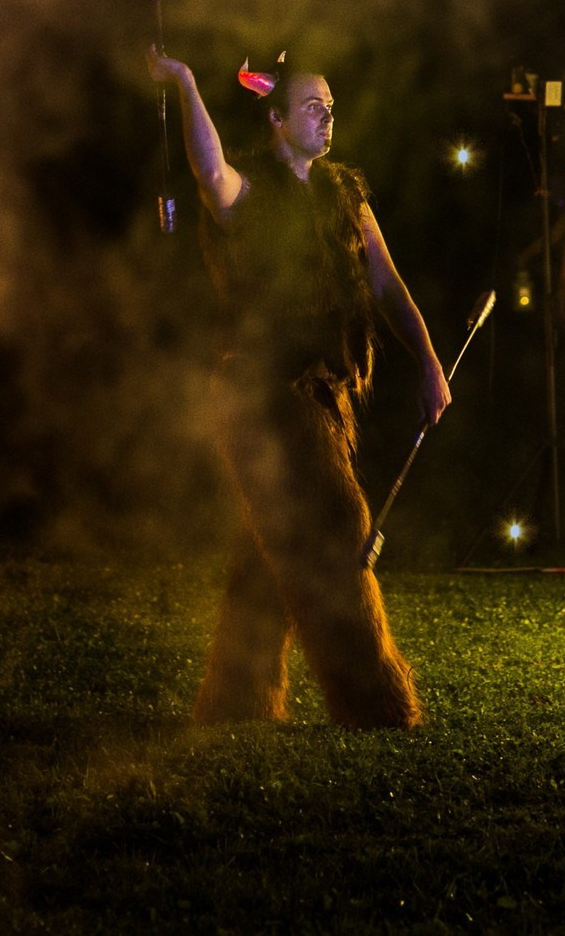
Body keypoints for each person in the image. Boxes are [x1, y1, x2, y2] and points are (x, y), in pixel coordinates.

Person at [147, 44, 450, 729]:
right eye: (312, 107)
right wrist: (188, 84)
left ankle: (235, 704)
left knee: (266, 555)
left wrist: (429, 363)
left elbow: (386, 284)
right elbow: (208, 170)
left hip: (329, 397)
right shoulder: (248, 193)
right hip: (266, 398)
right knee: (342, 528)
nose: (326, 118)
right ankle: (375, 707)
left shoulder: (346, 194)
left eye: (331, 107)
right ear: (277, 120)